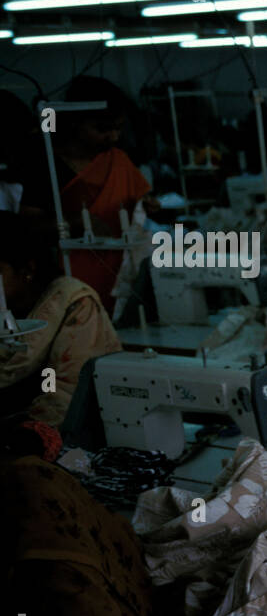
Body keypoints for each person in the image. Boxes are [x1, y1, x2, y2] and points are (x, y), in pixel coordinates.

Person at [12, 77, 157, 312]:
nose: (113, 137)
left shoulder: (117, 159)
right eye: (103, 129)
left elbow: (129, 203)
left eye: (118, 128)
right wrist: (75, 223)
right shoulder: (46, 165)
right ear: (75, 123)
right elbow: (28, 227)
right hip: (66, 276)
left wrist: (142, 205)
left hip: (119, 273)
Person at [0, 214, 121, 426]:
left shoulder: (73, 304)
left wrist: (22, 441)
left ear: (27, 270)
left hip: (50, 432)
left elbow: (64, 392)